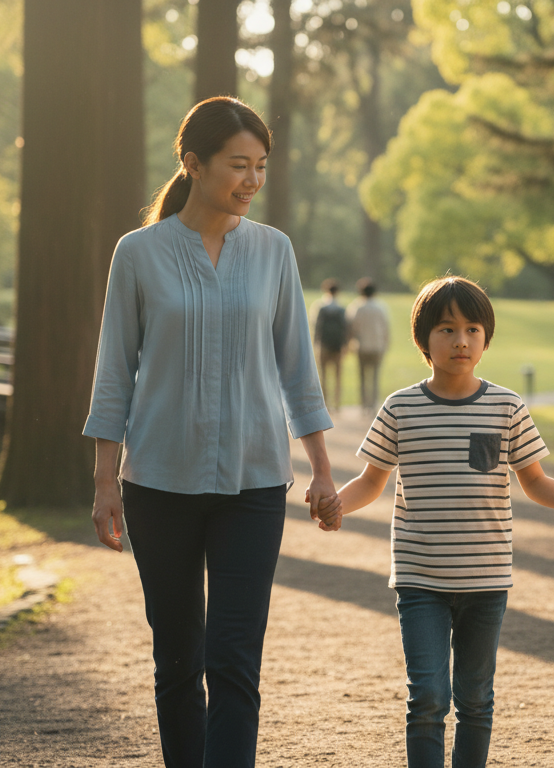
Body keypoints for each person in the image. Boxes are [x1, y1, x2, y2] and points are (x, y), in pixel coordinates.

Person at [83, 96, 339, 768]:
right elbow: (114, 373)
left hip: (255, 481)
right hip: (158, 483)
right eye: (238, 165)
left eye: (261, 166)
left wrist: (321, 467)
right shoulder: (137, 253)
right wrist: (105, 483)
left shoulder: (274, 250)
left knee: (234, 658)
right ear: (193, 165)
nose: (253, 180)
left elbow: (297, 367)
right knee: (177, 660)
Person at [321, 276, 554, 768]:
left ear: (486, 338)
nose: (461, 340)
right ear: (424, 339)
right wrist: (336, 504)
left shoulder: (506, 407)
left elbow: (535, 482)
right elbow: (371, 480)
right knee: (427, 696)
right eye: (446, 329)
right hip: (419, 580)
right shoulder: (400, 408)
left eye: (472, 329)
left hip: (486, 580)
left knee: (475, 699)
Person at [346, 277, 390, 412]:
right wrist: (386, 344)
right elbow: (386, 328)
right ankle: (373, 404)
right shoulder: (381, 307)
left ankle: (364, 404)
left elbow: (352, 327)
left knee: (363, 377)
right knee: (375, 377)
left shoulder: (357, 306)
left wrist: (349, 343)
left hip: (362, 346)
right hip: (377, 346)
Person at [310, 279, 347, 410]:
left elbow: (316, 326)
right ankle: (337, 404)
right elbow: (345, 328)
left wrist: (315, 343)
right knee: (337, 376)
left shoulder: (320, 307)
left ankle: (325, 403)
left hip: (323, 345)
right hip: (337, 345)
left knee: (323, 376)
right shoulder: (341, 308)